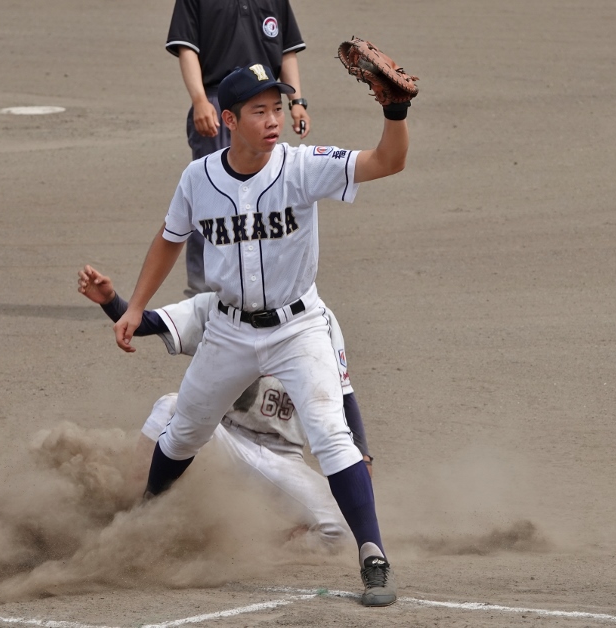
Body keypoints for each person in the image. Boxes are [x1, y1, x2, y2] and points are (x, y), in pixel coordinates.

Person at [113, 64, 409, 606]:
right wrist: (134, 306)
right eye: (260, 111)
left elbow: (389, 161)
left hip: (298, 327)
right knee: (182, 433)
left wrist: (395, 112)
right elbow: (170, 237)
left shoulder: (303, 166)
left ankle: (373, 558)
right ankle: (142, 521)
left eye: (278, 108)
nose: (274, 120)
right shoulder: (198, 178)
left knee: (330, 433)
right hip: (227, 329)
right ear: (228, 120)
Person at [77, 264, 374, 550]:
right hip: (222, 437)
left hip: (282, 456)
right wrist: (112, 301)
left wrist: (363, 457)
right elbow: (149, 323)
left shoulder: (319, 318)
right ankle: (134, 514)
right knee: (171, 406)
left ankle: (242, 549)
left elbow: (344, 394)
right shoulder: (217, 306)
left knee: (343, 528)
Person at [165, 0, 311, 296]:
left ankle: (257, 285)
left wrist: (296, 102)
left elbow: (287, 50)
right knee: (210, 199)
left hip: (264, 103)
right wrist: (199, 100)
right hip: (218, 102)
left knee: (264, 197)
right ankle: (203, 289)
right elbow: (187, 48)